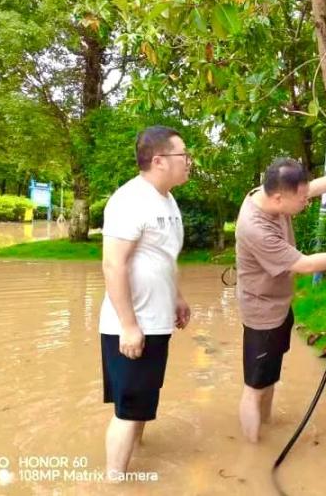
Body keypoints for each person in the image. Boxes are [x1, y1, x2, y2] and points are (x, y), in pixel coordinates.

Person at [235, 158, 326, 443]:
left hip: (279, 304)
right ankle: (253, 450)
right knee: (255, 386)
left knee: (268, 378)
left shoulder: (269, 195)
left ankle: (265, 427)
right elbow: (306, 265)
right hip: (262, 312)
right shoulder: (255, 228)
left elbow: (311, 188)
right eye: (301, 199)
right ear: (278, 198)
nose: (306, 202)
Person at [99, 126, 192, 480]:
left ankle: (132, 463)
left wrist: (177, 297)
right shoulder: (130, 200)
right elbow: (113, 264)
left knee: (140, 402)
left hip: (156, 321)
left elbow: (165, 257)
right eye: (183, 155)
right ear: (159, 161)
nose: (188, 161)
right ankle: (114, 481)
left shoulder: (167, 199)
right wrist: (128, 325)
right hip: (132, 325)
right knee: (127, 410)